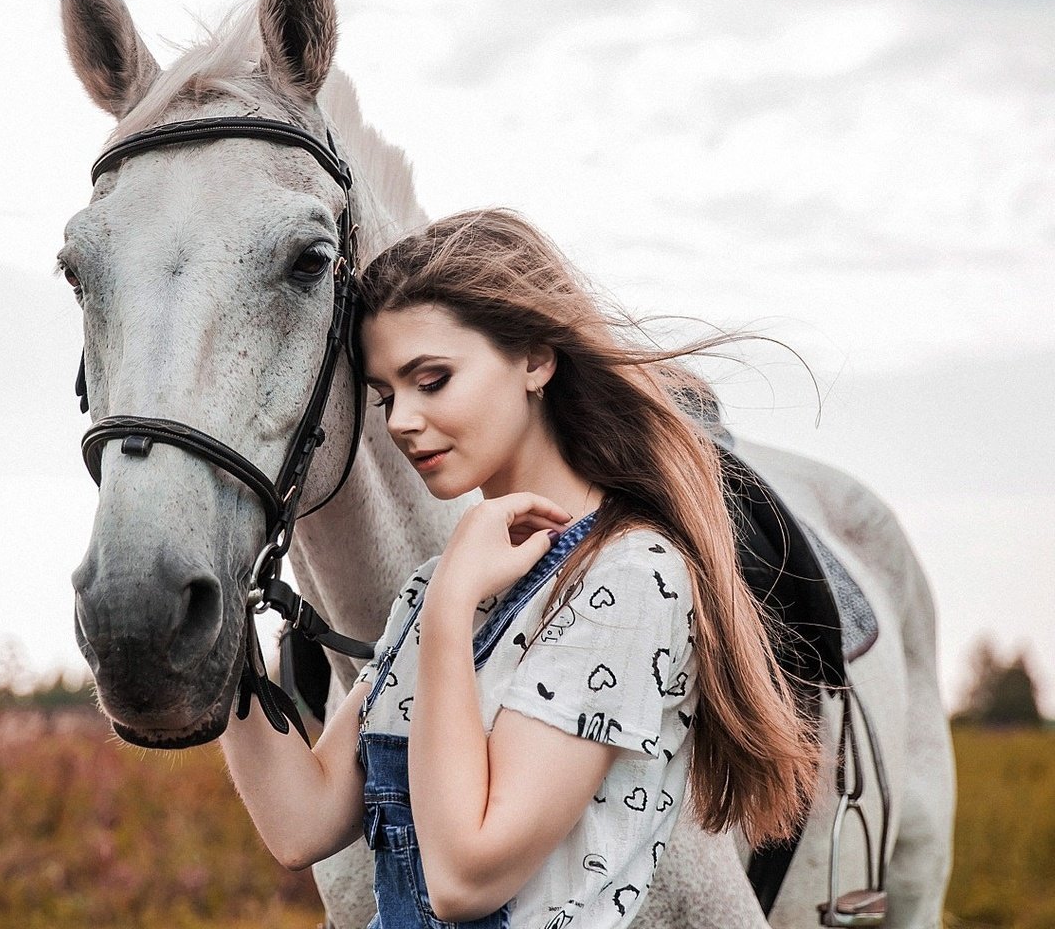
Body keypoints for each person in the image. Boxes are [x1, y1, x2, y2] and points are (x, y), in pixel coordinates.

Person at [219, 209, 818, 928]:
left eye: (431, 380)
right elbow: (301, 823)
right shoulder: (440, 586)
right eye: (386, 396)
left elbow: (466, 878)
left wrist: (448, 611)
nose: (401, 420)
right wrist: (217, 621)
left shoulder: (629, 580)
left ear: (535, 360)